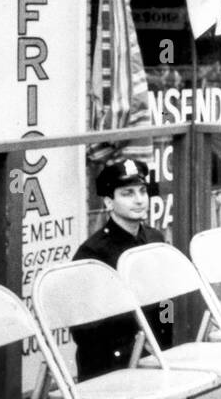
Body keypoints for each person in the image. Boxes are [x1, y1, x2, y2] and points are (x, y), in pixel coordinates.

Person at [70, 160, 170, 380]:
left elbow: (166, 301)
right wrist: (128, 351)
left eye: (142, 191)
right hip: (111, 364)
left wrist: (166, 339)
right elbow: (83, 329)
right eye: (127, 193)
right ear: (109, 202)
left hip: (153, 352)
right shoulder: (93, 254)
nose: (139, 200)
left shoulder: (155, 239)